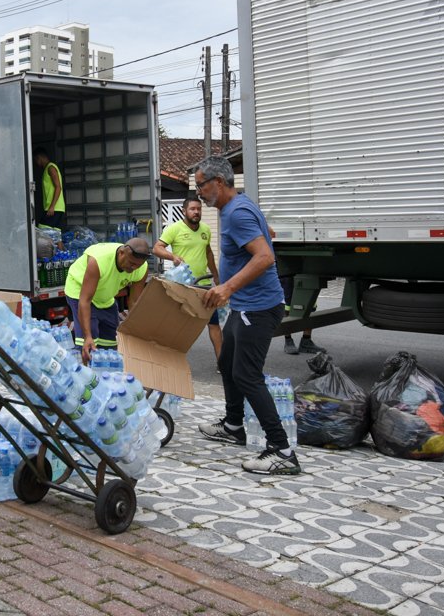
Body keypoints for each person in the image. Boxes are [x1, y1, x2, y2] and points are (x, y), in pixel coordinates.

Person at [194, 156, 301, 475]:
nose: (198, 191)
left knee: (246, 375)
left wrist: (227, 287)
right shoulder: (237, 207)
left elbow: (265, 256)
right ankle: (233, 425)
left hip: (259, 306)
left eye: (201, 184)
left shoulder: (237, 212)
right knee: (227, 361)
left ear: (219, 182)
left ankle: (282, 450)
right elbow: (267, 233)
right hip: (245, 305)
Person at [152, 195, 222, 358]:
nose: (196, 212)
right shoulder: (174, 229)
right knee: (177, 324)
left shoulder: (205, 229)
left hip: (204, 284)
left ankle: (222, 361)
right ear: (184, 211)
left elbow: (208, 253)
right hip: (183, 285)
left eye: (199, 209)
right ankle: (169, 358)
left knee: (214, 324)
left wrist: (216, 276)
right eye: (192, 209)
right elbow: (157, 248)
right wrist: (172, 257)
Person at [63, 237, 151, 365]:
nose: (134, 268)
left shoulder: (141, 268)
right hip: (79, 290)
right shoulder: (99, 261)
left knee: (110, 340)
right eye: (131, 263)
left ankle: (105, 375)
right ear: (121, 253)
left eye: (138, 265)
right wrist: (87, 336)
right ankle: (84, 376)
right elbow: (85, 300)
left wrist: (136, 331)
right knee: (89, 338)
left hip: (105, 295)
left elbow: (134, 301)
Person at [280, 273, 322, 354]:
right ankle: (288, 341)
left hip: (307, 271)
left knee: (310, 305)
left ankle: (306, 341)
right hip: (288, 273)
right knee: (287, 308)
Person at [34, 147, 66, 230]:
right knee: (56, 236)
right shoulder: (47, 169)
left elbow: (58, 187)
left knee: (42, 228)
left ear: (39, 157)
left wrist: (52, 206)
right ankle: (59, 244)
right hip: (56, 208)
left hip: (54, 208)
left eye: (36, 160)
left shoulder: (50, 168)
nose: (36, 163)